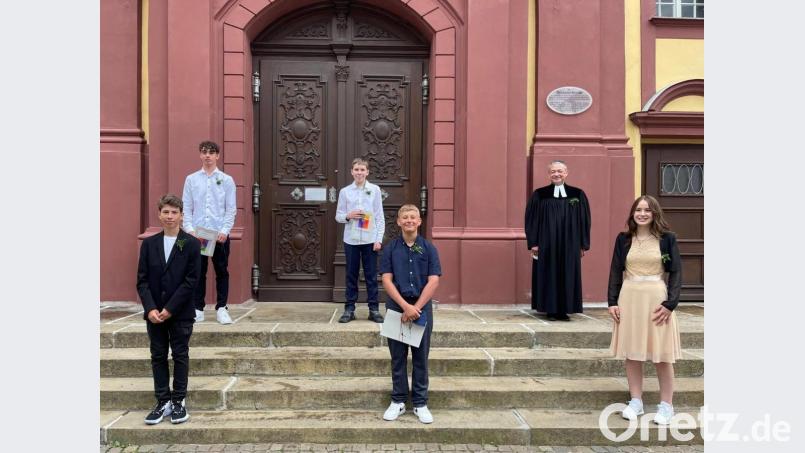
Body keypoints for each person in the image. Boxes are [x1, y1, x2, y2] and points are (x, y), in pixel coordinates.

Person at [607, 195, 683, 425]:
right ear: (632, 213)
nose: (642, 214)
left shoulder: (667, 239)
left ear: (654, 214)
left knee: (661, 354)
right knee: (632, 353)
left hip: (656, 300)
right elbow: (614, 271)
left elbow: (676, 272)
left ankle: (667, 405)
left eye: (647, 210)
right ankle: (636, 401)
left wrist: (670, 304)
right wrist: (612, 301)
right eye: (638, 210)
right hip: (629, 297)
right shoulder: (623, 239)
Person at [136, 194, 201, 425]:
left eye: (174, 212)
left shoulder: (191, 244)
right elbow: (142, 281)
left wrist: (170, 308)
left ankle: (178, 401)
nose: (170, 217)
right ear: (159, 214)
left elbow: (191, 280)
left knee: (180, 355)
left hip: (180, 313)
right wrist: (151, 308)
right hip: (154, 314)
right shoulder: (149, 244)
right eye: (166, 212)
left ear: (182, 216)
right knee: (158, 355)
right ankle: (162, 400)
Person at [379, 204, 441, 424]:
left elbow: (434, 280)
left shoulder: (429, 248)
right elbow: (387, 279)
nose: (409, 221)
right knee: (397, 358)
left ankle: (420, 403)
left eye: (413, 217)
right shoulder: (390, 249)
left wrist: (416, 307)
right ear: (398, 222)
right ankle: (397, 401)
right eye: (405, 217)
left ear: (419, 221)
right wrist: (405, 307)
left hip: (422, 308)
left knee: (421, 358)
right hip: (397, 308)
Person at [524, 160, 591, 320]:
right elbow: (531, 219)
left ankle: (564, 310)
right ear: (549, 174)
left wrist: (583, 244)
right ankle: (550, 310)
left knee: (568, 273)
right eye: (553, 171)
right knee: (548, 273)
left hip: (570, 243)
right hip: (546, 243)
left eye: (560, 171)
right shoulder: (539, 194)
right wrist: (534, 242)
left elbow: (585, 220)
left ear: (566, 173)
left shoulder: (577, 194)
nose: (556, 174)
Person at [182, 140, 237, 324]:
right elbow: (187, 207)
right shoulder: (192, 179)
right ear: (200, 154)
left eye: (211, 152)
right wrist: (189, 230)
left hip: (218, 234)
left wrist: (225, 230)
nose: (207, 155)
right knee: (199, 271)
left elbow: (231, 208)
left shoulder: (227, 180)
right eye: (204, 152)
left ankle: (222, 308)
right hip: (200, 234)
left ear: (217, 156)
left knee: (221, 271)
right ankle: (198, 309)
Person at [335, 158, 386, 323]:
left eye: (362, 170)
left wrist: (378, 239)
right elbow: (338, 216)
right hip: (351, 239)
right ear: (352, 172)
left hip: (370, 239)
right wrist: (348, 216)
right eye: (356, 169)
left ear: (367, 172)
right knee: (351, 274)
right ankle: (349, 309)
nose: (359, 173)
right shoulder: (345, 192)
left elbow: (379, 216)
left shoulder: (375, 189)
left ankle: (374, 309)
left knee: (371, 275)